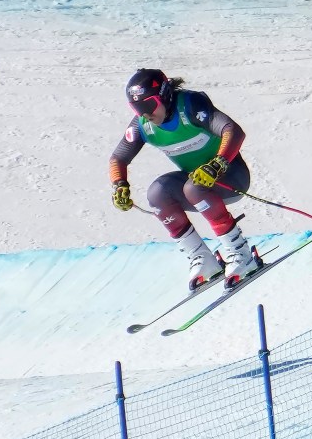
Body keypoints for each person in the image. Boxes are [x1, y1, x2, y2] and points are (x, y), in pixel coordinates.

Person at [109, 68, 258, 291]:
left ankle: (241, 254)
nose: (144, 114)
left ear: (165, 94)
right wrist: (119, 185)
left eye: (148, 105)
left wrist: (217, 164)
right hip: (197, 184)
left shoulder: (189, 105)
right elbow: (118, 158)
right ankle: (203, 260)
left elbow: (233, 131)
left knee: (194, 187)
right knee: (157, 193)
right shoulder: (142, 125)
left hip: (231, 178)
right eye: (137, 108)